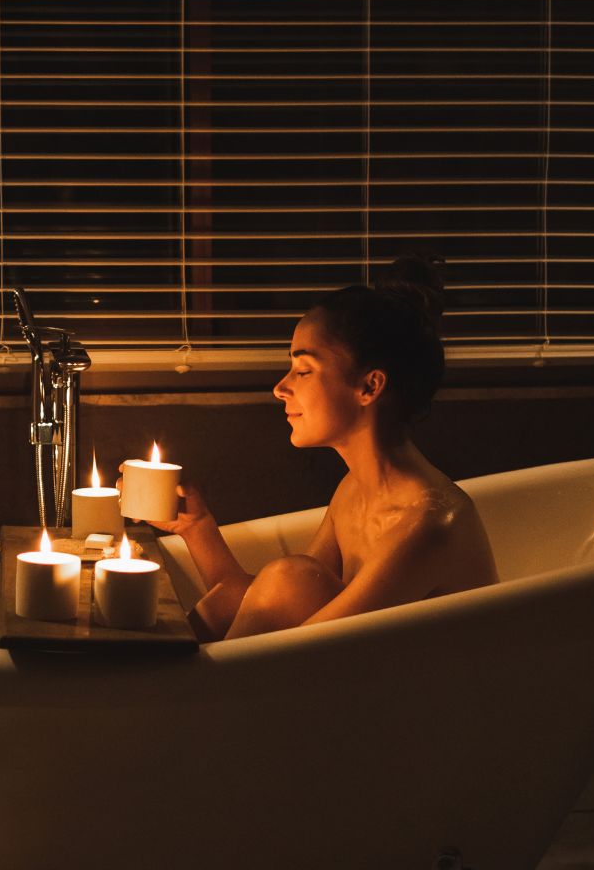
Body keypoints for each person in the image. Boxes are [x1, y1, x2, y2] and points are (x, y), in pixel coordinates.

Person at [126, 256, 498, 641]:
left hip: (431, 681)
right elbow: (265, 604)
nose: (280, 388)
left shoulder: (427, 526)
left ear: (370, 386)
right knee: (279, 584)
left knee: (293, 579)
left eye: (303, 371)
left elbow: (300, 646)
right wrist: (197, 528)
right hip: (359, 667)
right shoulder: (355, 491)